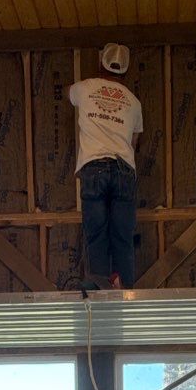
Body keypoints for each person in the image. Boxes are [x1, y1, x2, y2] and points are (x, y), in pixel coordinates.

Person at [69, 43, 141, 287]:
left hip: (94, 168)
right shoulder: (134, 102)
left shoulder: (85, 87)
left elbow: (67, 93)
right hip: (123, 169)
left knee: (97, 235)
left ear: (101, 63)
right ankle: (125, 292)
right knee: (122, 237)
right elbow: (134, 141)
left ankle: (100, 293)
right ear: (125, 72)